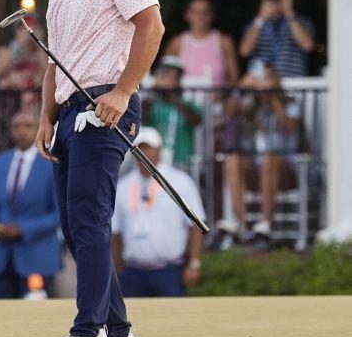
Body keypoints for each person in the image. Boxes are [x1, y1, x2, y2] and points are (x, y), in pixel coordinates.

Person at [29, 0, 164, 337]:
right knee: (76, 227)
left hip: (106, 104)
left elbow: (151, 26)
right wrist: (46, 117)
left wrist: (124, 92)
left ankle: (88, 335)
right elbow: (54, 62)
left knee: (89, 221)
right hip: (68, 111)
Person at [112, 127, 205, 298]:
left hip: (170, 270)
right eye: (140, 148)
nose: (145, 153)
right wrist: (117, 269)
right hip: (133, 270)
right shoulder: (123, 186)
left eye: (149, 147)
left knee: (172, 320)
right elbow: (115, 233)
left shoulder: (181, 182)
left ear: (159, 150)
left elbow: (195, 226)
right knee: (132, 321)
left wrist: (194, 263)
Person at [219, 62, 302, 243]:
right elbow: (230, 112)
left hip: (285, 167)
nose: (261, 83)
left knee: (269, 159)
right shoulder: (250, 102)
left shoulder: (290, 100)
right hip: (256, 167)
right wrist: (241, 87)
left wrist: (272, 98)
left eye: (266, 78)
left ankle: (265, 223)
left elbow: (289, 126)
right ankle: (239, 222)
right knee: (233, 159)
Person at [0, 111, 61, 299]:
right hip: (2, 258)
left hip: (37, 257)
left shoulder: (52, 164)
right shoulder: (0, 162)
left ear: (38, 129)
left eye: (28, 126)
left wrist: (22, 229)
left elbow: (59, 214)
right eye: (16, 127)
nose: (21, 132)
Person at [238, 0, 315, 78]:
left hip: (293, 84)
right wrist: (261, 19)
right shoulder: (254, 24)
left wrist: (289, 13)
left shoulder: (301, 21)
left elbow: (308, 46)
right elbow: (244, 51)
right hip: (261, 84)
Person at [163, 0, 239, 87]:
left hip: (217, 100)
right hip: (181, 100)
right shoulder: (177, 43)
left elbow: (234, 77)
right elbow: (164, 76)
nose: (200, 16)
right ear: (187, 15)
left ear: (212, 15)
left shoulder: (224, 42)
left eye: (205, 12)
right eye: (195, 12)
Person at [143, 56, 203, 167]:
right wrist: (154, 90)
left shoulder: (188, 105)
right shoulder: (149, 103)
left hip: (180, 162)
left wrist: (172, 95)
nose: (169, 78)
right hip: (151, 164)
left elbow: (197, 121)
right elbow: (141, 119)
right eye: (164, 73)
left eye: (175, 76)